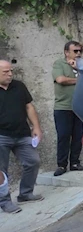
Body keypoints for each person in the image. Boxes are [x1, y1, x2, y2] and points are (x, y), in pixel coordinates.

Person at [0, 60, 44, 214]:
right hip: (1, 136)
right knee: (1, 172)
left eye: (11, 71)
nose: (10, 74)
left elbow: (29, 106)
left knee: (33, 161)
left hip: (22, 133)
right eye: (6, 72)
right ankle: (4, 202)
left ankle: (25, 194)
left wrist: (36, 127)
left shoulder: (19, 86)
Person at [52, 41, 83, 177]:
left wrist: (79, 69)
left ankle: (74, 162)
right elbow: (60, 79)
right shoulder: (59, 64)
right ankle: (61, 165)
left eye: (80, 51)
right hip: (63, 107)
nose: (78, 54)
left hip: (79, 107)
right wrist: (79, 80)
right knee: (63, 136)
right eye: (75, 51)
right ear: (67, 52)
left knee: (78, 136)